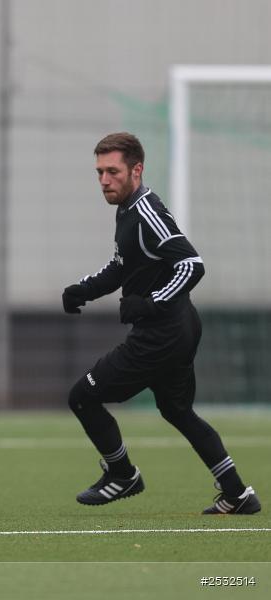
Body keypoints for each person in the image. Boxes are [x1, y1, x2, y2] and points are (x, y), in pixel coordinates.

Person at [62, 132, 260, 515]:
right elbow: (121, 266)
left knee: (82, 397)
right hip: (177, 328)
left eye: (113, 171)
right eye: (100, 172)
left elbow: (192, 264)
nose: (104, 180)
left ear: (136, 170)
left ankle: (123, 475)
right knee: (178, 411)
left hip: (162, 334)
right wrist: (83, 290)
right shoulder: (127, 210)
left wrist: (151, 303)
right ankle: (238, 495)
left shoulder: (146, 213)